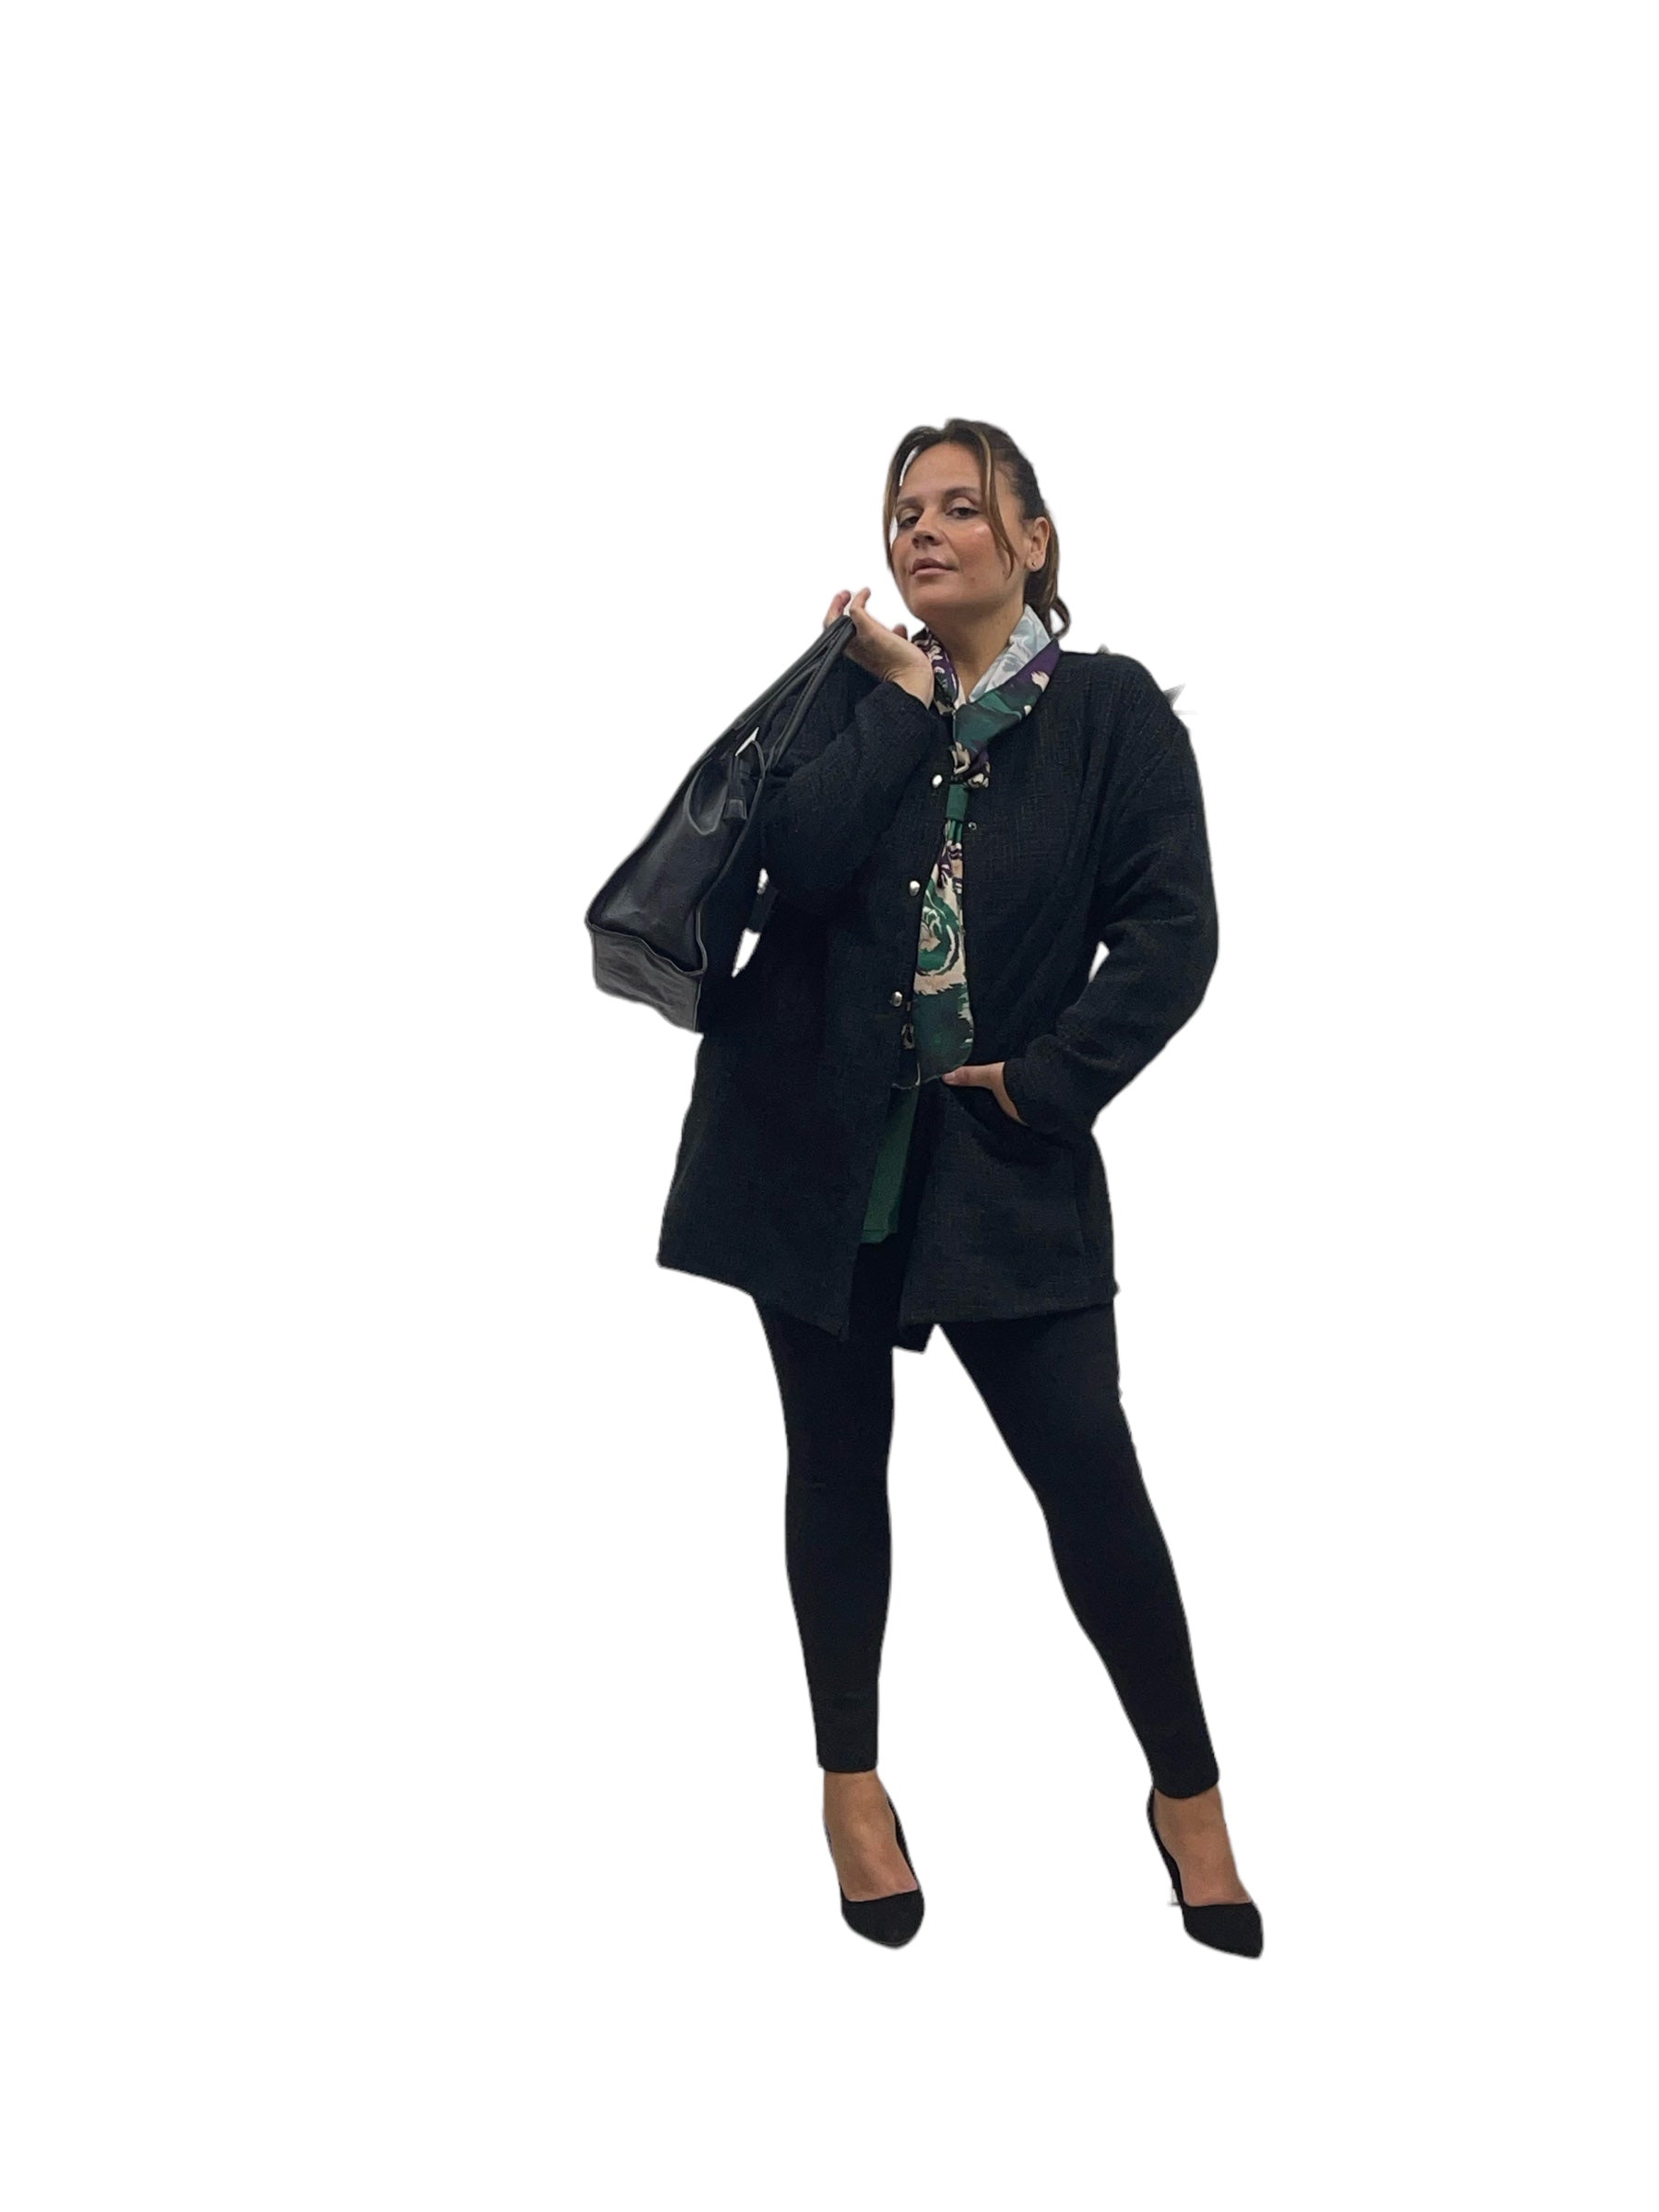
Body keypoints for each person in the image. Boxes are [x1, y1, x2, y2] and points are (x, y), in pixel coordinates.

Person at [656, 418, 1261, 1956]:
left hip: (999, 1163)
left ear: (1033, 540)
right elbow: (789, 870)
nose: (923, 531)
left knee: (1090, 1475)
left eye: (959, 508)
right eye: (903, 511)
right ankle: (850, 1787)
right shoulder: (858, 694)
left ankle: (1188, 1794)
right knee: (834, 1464)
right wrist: (902, 702)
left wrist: (1054, 1081)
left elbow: (1174, 932)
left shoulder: (1112, 714)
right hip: (808, 1145)